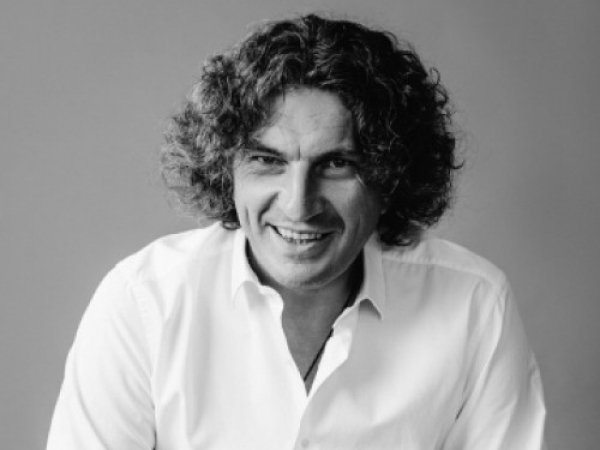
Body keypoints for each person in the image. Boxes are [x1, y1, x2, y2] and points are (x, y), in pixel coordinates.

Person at [47, 13, 546, 449]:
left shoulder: (474, 304)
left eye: (337, 164)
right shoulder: (143, 302)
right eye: (267, 161)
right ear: (226, 170)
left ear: (390, 176)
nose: (298, 205)